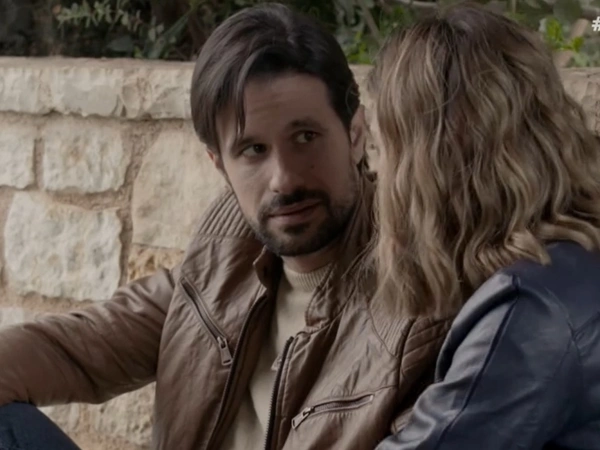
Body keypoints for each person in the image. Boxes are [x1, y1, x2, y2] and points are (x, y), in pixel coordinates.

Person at [0, 3, 451, 450]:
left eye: (305, 137)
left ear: (355, 134)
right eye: (254, 150)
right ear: (220, 165)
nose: (284, 179)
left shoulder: (418, 293)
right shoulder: (224, 259)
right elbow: (75, 347)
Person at [367, 3, 600, 449]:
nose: (380, 176)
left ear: (428, 161)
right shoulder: (573, 262)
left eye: (383, 150)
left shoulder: (531, 309)